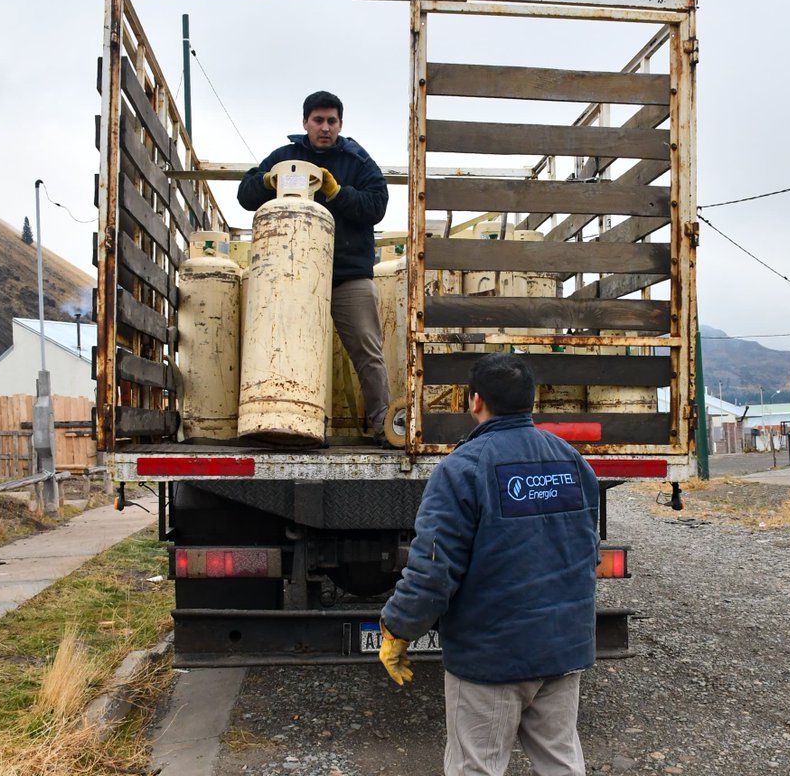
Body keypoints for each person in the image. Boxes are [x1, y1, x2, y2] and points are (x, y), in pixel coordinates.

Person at [378, 353, 601, 775]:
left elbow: (433, 568)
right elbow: (586, 550)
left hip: (492, 657)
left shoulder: (462, 469)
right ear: (530, 401)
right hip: (564, 649)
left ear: (474, 400)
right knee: (561, 762)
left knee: (475, 767)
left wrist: (397, 629)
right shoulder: (572, 462)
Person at [238, 90, 393, 445]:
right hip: (294, 279)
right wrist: (266, 181)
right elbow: (245, 195)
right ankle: (287, 421)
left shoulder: (357, 160)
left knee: (368, 350)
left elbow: (377, 205)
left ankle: (383, 423)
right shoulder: (285, 158)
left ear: (341, 123)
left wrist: (338, 192)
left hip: (347, 276)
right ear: (304, 122)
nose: (325, 128)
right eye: (318, 121)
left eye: (332, 121)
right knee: (286, 347)